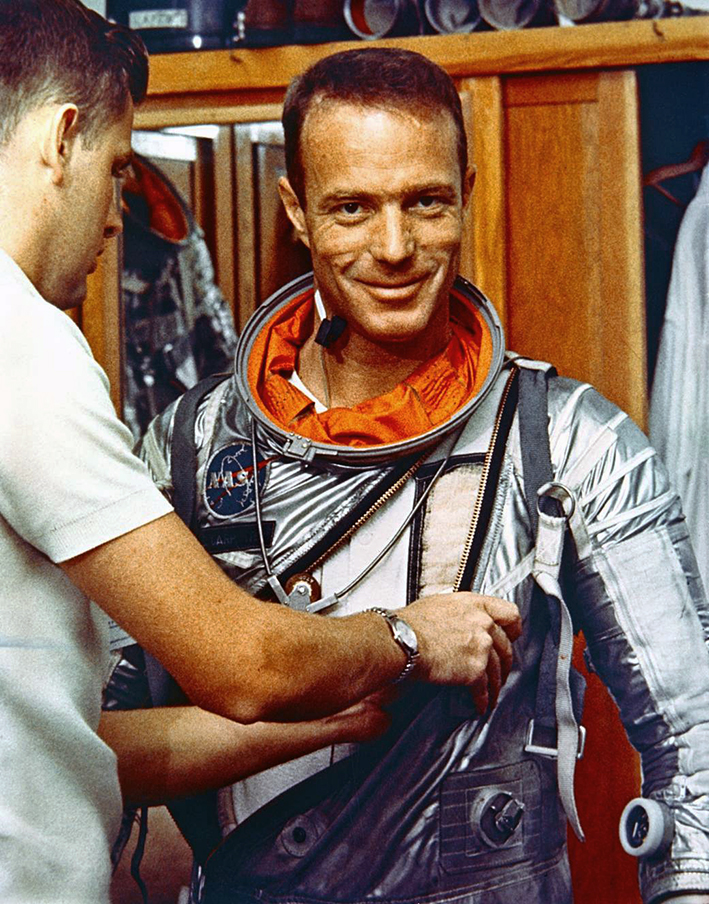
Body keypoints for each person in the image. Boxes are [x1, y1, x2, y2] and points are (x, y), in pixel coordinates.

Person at [132, 47, 709, 904]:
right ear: (294, 209)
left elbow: (693, 737)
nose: (393, 247)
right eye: (352, 208)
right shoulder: (189, 447)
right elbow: (92, 740)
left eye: (425, 202)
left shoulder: (569, 445)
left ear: (466, 192)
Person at [0, 5, 522, 902]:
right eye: (119, 170)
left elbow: (81, 737)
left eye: (425, 201)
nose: (118, 218)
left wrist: (339, 721)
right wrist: (408, 635)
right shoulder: (26, 349)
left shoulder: (564, 434)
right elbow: (245, 662)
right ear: (63, 137)